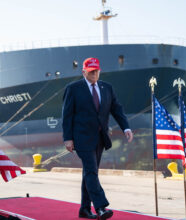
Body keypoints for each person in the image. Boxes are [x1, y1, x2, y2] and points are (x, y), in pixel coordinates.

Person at [62, 57, 133, 220]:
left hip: (100, 137)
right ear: (84, 71)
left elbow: (116, 109)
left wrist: (126, 127)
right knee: (92, 171)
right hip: (82, 138)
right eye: (91, 71)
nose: (95, 74)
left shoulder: (106, 87)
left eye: (97, 71)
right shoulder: (73, 88)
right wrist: (68, 138)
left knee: (89, 172)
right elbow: (67, 115)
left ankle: (84, 209)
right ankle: (101, 207)